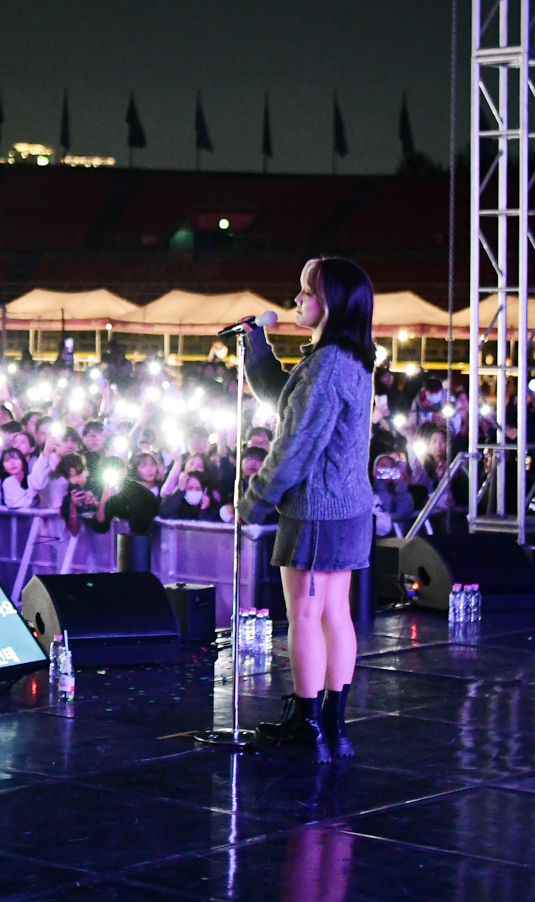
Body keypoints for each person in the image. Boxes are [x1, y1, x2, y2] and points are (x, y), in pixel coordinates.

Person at [239, 257, 376, 761]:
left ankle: (306, 721)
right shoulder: (349, 358)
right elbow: (287, 400)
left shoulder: (327, 366)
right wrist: (256, 348)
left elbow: (295, 444)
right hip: (348, 506)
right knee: (335, 616)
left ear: (331, 303)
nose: (295, 300)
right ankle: (331, 723)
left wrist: (255, 500)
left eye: (305, 292)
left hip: (318, 509)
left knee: (306, 614)